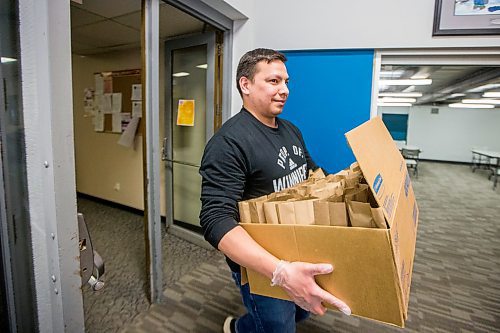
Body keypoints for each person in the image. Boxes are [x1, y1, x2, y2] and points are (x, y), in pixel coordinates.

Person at [199, 48, 350, 333]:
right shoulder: (228, 143)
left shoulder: (290, 129)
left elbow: (312, 172)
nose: (284, 90)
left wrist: (347, 184)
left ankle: (242, 328)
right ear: (245, 85)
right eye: (273, 81)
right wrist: (280, 272)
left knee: (300, 314)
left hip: (298, 249)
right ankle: (240, 328)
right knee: (278, 326)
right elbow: (215, 219)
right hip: (264, 266)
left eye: (286, 82)